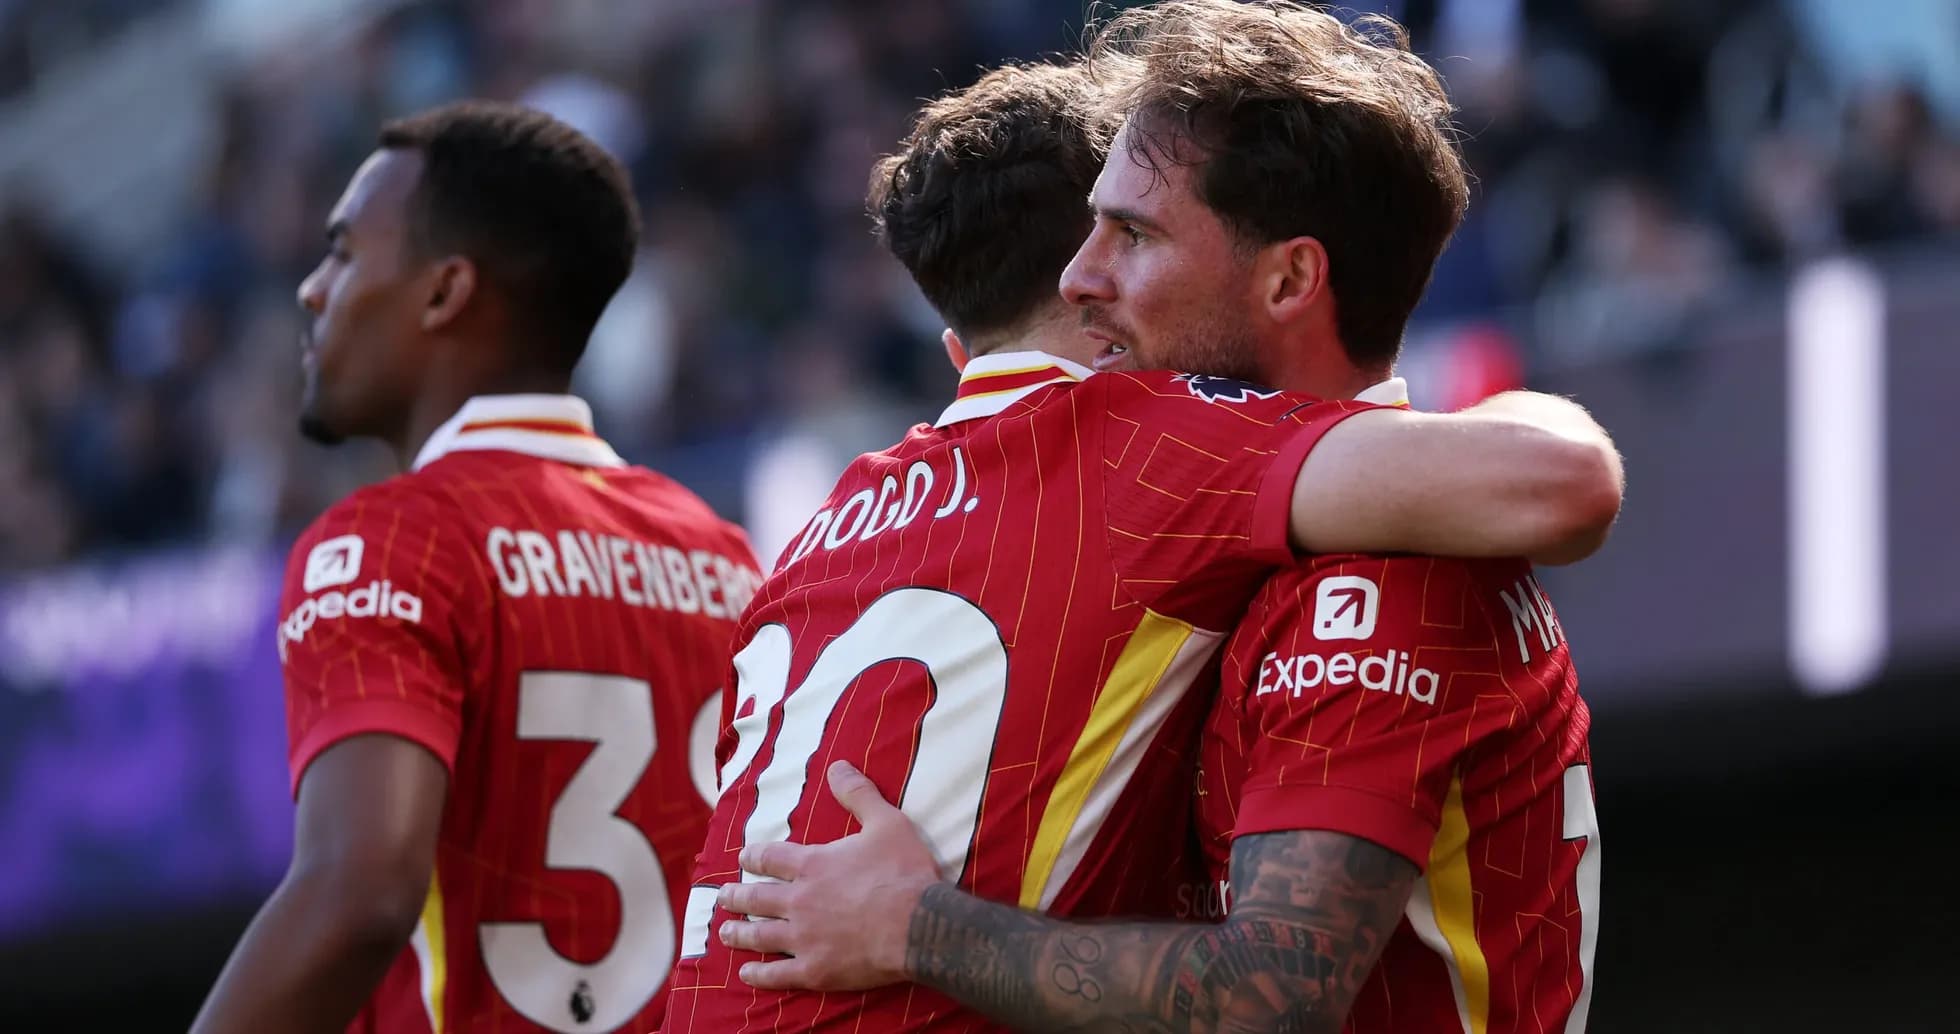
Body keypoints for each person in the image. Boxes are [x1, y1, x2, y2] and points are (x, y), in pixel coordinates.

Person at [665, 37, 1617, 1033]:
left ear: (1289, 279)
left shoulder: (1386, 570)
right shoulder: (1210, 537)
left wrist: (918, 925)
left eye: (1131, 233)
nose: (1081, 276)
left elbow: (1268, 999)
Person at [189, 101, 761, 1034]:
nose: (312, 289)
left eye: (342, 253)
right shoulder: (727, 558)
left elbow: (360, 892)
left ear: (444, 293)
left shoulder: (389, 540)